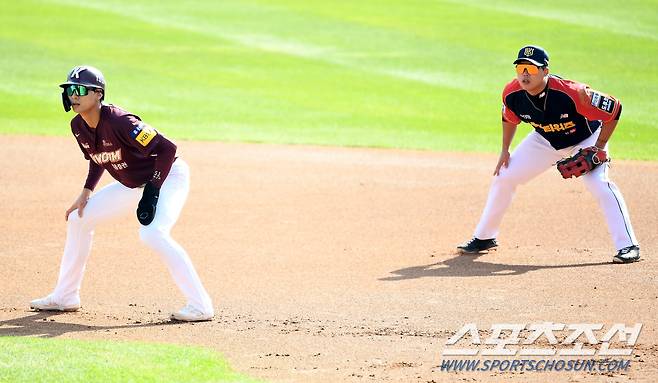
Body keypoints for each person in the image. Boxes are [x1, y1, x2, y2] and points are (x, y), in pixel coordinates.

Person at [30, 65, 215, 321]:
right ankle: (65, 296)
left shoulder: (121, 122)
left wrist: (153, 189)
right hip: (132, 185)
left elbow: (167, 149)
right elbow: (98, 157)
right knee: (78, 219)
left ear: (97, 94)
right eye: (70, 89)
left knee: (152, 234)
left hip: (168, 176)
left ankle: (201, 306)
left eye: (80, 89)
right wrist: (86, 191)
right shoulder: (78, 126)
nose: (73, 95)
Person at [457, 45, 640, 264]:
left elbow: (614, 109)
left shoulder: (573, 92)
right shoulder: (512, 94)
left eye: (532, 69)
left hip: (587, 138)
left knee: (598, 183)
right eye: (521, 68)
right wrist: (505, 149)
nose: (525, 74)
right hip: (546, 139)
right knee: (505, 176)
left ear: (545, 71)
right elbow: (509, 118)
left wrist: (599, 146)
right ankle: (485, 237)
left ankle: (628, 246)